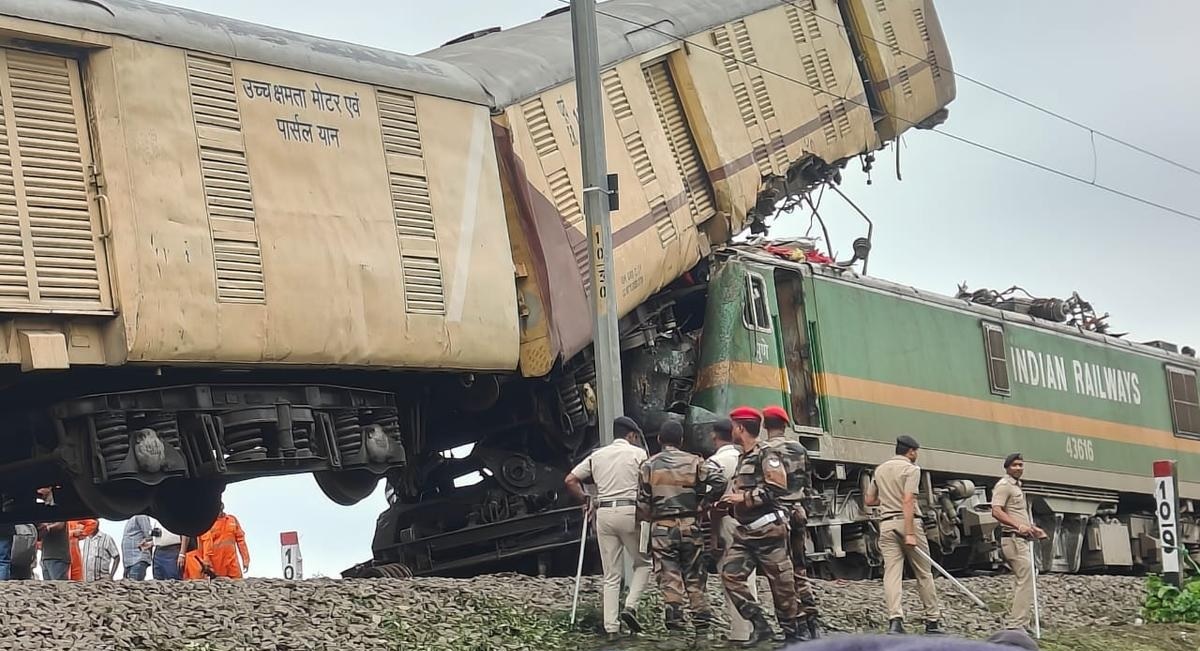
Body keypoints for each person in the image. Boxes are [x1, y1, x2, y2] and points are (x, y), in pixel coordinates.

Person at [718, 406, 801, 646]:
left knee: (782, 587)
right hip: (746, 533)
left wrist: (742, 499)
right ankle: (761, 626)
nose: (731, 430)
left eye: (734, 426)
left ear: (740, 428)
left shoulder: (766, 454)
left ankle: (793, 636)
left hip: (768, 529)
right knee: (730, 575)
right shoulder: (744, 456)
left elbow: (777, 486)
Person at [564, 416, 651, 640]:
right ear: (631, 435)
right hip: (630, 513)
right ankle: (630, 607)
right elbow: (648, 485)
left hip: (603, 514)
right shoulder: (639, 455)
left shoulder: (597, 456)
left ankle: (611, 629)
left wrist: (586, 499)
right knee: (643, 563)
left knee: (611, 574)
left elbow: (570, 480)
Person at [636, 420, 726, 634]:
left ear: (659, 439)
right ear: (682, 441)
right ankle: (701, 621)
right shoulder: (695, 462)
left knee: (669, 575)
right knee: (694, 575)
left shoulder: (649, 465)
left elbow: (642, 503)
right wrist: (705, 502)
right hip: (690, 526)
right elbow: (720, 481)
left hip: (662, 528)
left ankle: (675, 623)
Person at [864, 435, 944, 635]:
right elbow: (908, 500)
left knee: (892, 573)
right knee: (923, 573)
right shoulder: (911, 469)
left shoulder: (880, 470)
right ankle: (932, 621)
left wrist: (888, 502)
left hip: (886, 524)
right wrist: (909, 532)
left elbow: (869, 500)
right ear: (911, 451)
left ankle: (895, 621)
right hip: (908, 523)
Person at [763, 405, 821, 640]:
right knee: (799, 568)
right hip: (798, 513)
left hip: (777, 517)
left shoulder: (765, 451)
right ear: (785, 425)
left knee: (781, 573)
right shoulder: (799, 449)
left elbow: (767, 486)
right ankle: (812, 620)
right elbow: (808, 482)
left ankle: (795, 627)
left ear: (765, 426)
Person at [706, 419, 757, 644]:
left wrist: (713, 534)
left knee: (730, 577)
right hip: (750, 522)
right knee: (749, 578)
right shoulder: (747, 459)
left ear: (714, 436)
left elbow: (710, 500)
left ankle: (739, 632)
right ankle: (754, 629)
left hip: (726, 523)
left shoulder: (716, 462)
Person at [991, 453, 1047, 633]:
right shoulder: (1004, 486)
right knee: (1026, 578)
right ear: (1007, 467)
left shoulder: (1017, 487)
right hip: (1013, 539)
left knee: (1025, 579)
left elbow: (1017, 516)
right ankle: (1016, 624)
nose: (1018, 468)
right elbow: (996, 511)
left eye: (1021, 465)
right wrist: (1018, 526)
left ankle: (1021, 620)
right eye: (1014, 465)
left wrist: (1032, 529)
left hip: (1021, 538)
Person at [200, 504, 251, 578]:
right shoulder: (208, 523)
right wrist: (206, 561)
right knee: (218, 585)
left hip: (232, 562)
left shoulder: (232, 520)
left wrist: (246, 559)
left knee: (238, 584)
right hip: (216, 563)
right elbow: (205, 543)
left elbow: (241, 541)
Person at [37, 488, 71, 581]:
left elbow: (61, 524)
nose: (38, 491)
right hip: (46, 556)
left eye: (41, 488)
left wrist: (47, 528)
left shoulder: (58, 505)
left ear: (49, 488)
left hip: (58, 556)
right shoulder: (44, 508)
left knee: (60, 590)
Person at [122, 514, 155, 581]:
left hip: (138, 559)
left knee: (134, 588)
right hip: (129, 561)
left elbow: (149, 535)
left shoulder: (141, 515)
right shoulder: (131, 517)